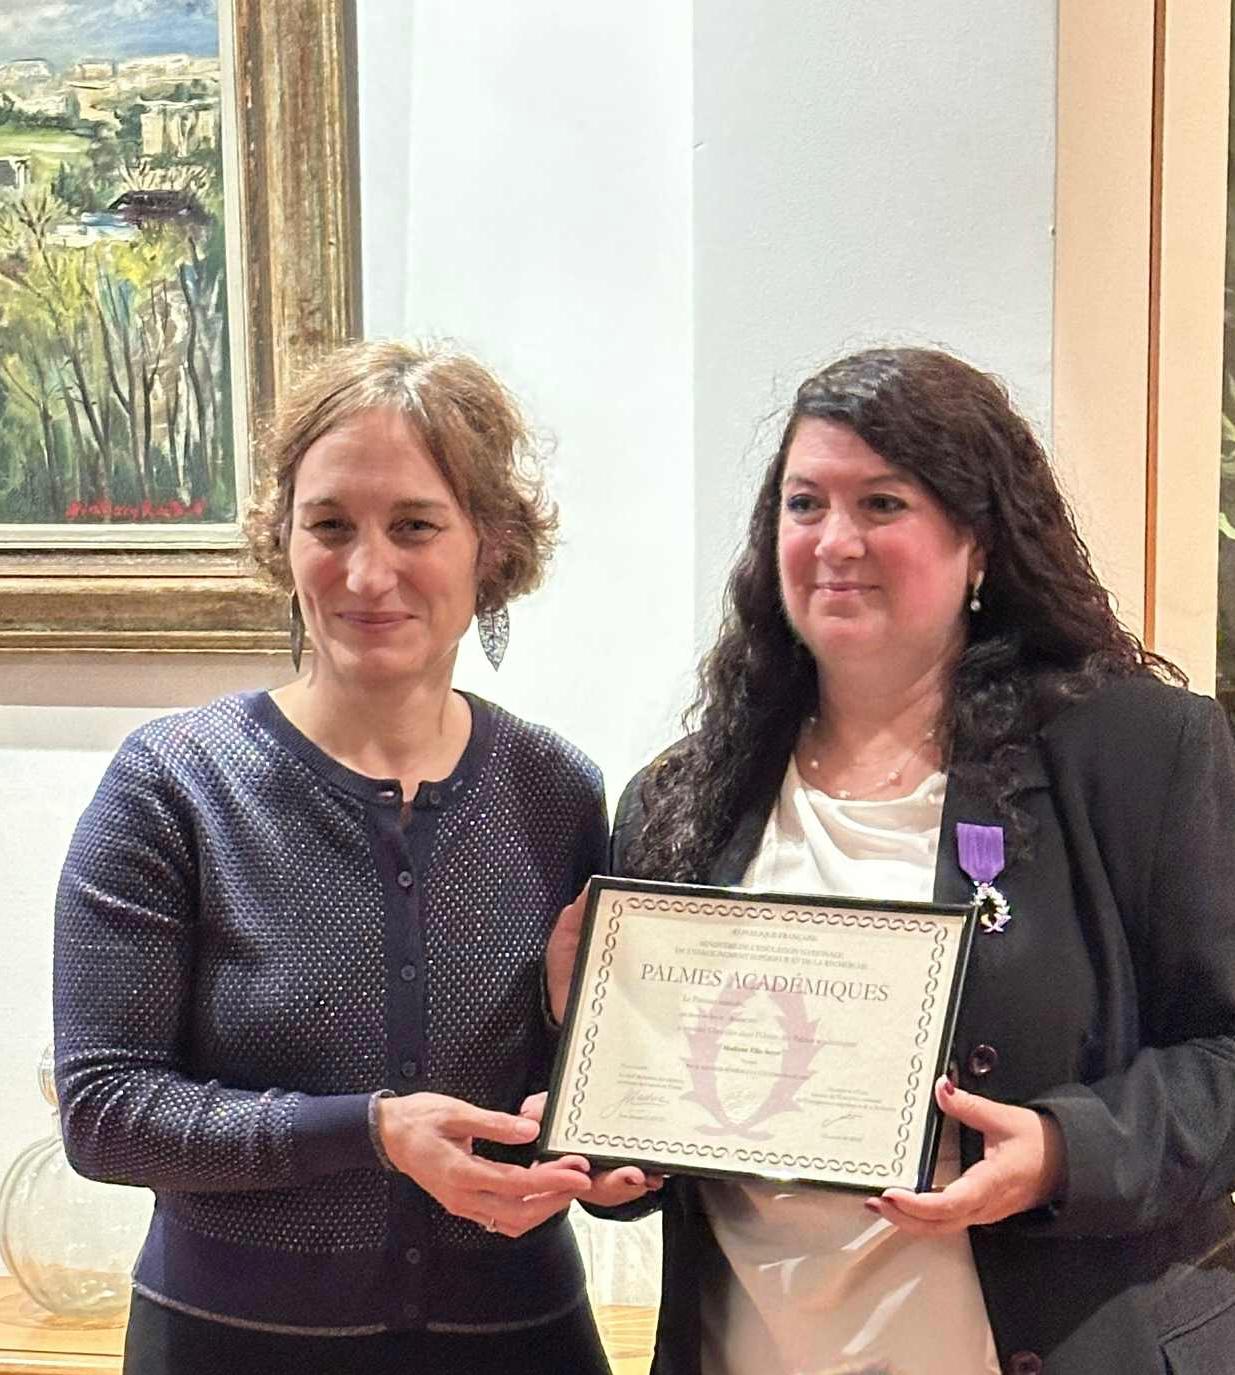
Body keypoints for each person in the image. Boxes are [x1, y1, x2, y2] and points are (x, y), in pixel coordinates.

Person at [548, 347, 1235, 1375]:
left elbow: (1222, 1054)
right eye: (803, 504)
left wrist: (1062, 1151)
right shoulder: (679, 798)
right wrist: (597, 1077)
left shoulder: (1135, 754)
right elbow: (655, 1146)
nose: (834, 541)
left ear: (978, 542)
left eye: (881, 503)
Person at [53, 340, 615, 1375]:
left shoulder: (558, 792)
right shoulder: (174, 786)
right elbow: (105, 1112)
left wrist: (592, 1101)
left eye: (414, 525)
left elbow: (586, 1100)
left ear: (491, 544)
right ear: (280, 536)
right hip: (229, 1345)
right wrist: (371, 1130)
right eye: (329, 525)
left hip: (517, 1339)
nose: (367, 572)